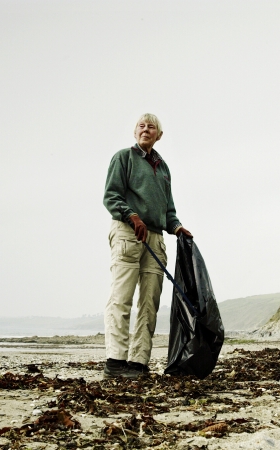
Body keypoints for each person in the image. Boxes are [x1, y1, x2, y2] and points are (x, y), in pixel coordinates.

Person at [102, 113, 192, 379]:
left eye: (151, 127)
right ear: (134, 133)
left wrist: (176, 227)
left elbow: (168, 209)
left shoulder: (163, 168)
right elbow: (111, 195)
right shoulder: (123, 158)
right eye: (141, 126)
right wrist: (131, 215)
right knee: (122, 297)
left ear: (159, 136)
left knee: (150, 302)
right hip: (128, 232)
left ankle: (139, 363)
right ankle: (115, 362)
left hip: (155, 237)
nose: (146, 129)